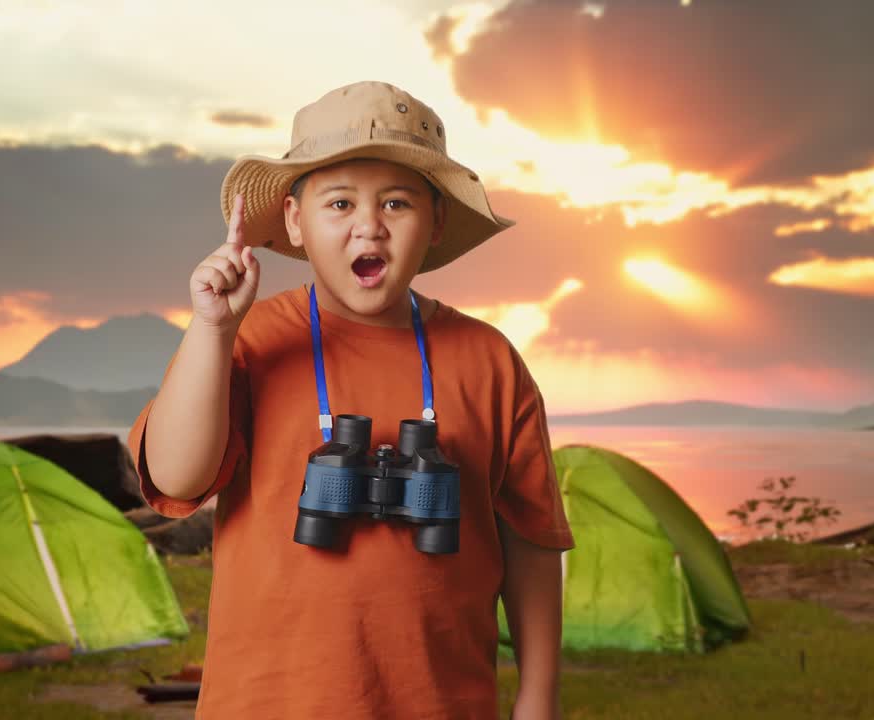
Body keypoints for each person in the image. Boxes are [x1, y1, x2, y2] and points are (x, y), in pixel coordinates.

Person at [127, 80, 574, 719]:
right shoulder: (245, 340)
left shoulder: (489, 361)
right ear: (294, 220)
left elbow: (531, 544)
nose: (370, 226)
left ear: (436, 222)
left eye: (397, 203)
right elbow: (176, 478)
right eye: (339, 203)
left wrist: (538, 700)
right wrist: (213, 329)